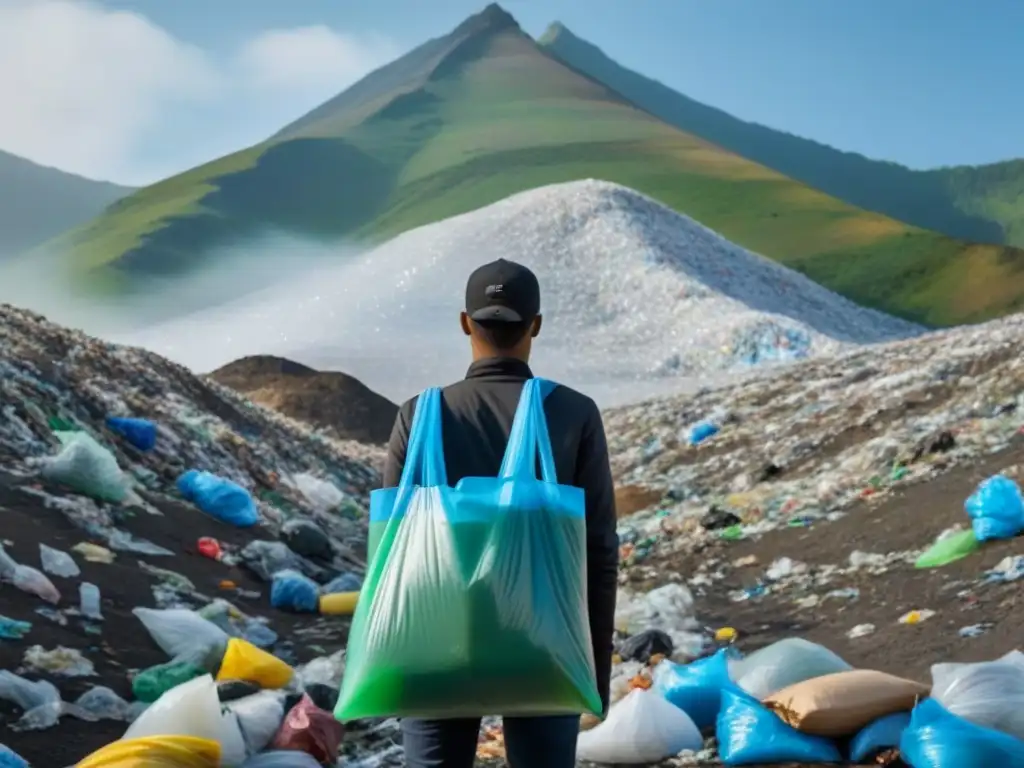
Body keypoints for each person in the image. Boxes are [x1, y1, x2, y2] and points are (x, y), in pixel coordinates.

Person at [382, 258, 619, 768]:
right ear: (536, 324)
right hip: (544, 642)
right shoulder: (574, 413)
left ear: (465, 322)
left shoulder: (418, 416)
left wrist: (391, 664)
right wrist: (591, 670)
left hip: (432, 642)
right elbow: (599, 551)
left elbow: (390, 551)